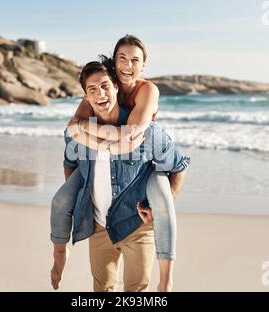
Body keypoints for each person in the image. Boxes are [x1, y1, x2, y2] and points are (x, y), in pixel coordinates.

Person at [51, 35, 185, 291]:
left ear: (143, 65)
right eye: (122, 58)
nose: (128, 64)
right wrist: (84, 197)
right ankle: (59, 252)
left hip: (137, 223)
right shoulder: (95, 98)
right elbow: (71, 141)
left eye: (135, 59)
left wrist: (158, 206)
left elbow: (168, 158)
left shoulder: (148, 98)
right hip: (101, 226)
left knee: (135, 292)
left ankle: (167, 280)